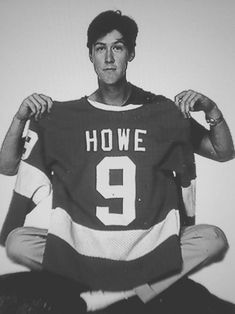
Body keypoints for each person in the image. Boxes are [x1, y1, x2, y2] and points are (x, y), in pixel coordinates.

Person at [0, 10, 233, 312]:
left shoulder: (161, 112)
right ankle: (134, 288)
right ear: (91, 56)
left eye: (118, 47)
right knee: (20, 241)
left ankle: (114, 297)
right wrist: (20, 118)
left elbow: (223, 151)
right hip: (85, 246)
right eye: (100, 48)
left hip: (148, 246)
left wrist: (211, 108)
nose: (109, 57)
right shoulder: (63, 119)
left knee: (212, 238)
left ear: (131, 53)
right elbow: (6, 166)